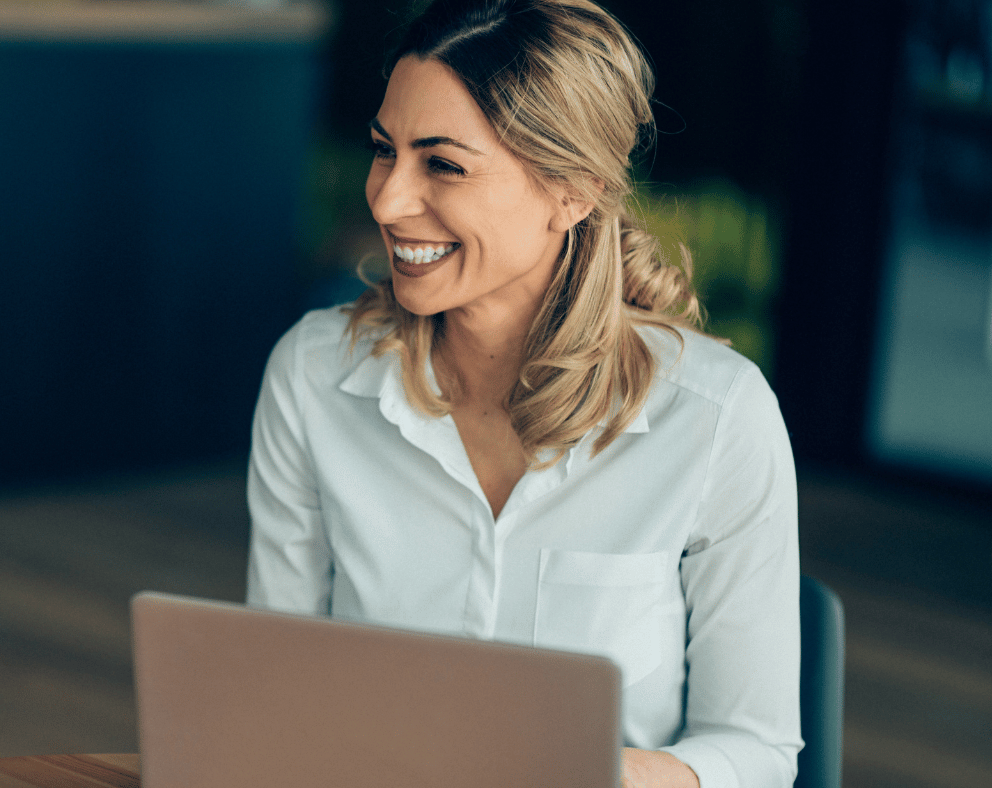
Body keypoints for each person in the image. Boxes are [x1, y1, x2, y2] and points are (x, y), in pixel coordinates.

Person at [244, 1, 802, 787]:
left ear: (573, 192)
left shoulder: (715, 419)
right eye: (384, 150)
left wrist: (612, 776)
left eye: (442, 163)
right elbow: (276, 690)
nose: (388, 199)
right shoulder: (311, 375)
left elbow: (758, 751)